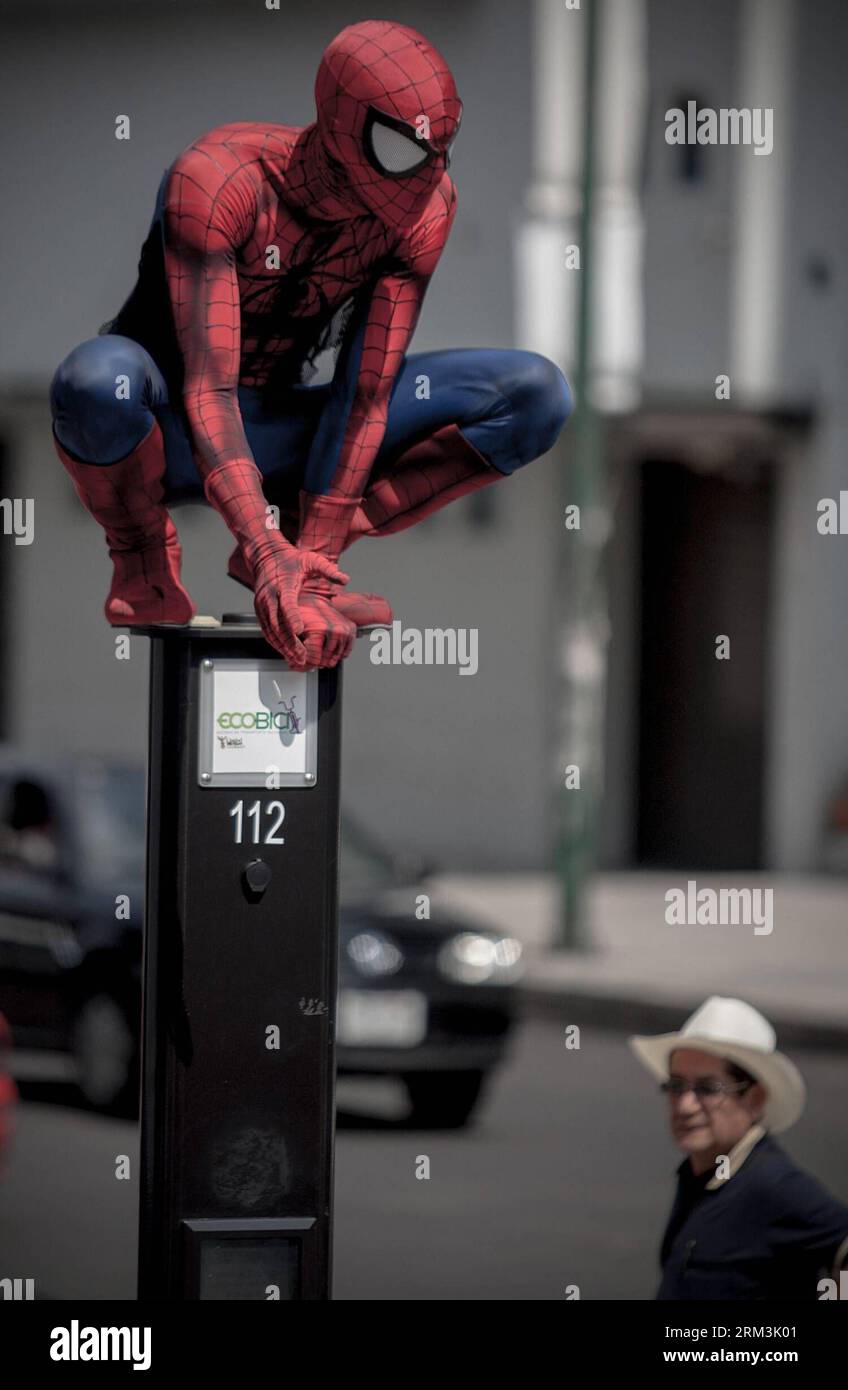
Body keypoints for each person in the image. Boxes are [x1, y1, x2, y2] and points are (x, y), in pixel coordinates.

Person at [49, 19, 571, 671]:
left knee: (534, 394)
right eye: (405, 150)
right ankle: (142, 557)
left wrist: (308, 563)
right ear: (344, 121)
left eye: (442, 150)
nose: (426, 177)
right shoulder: (218, 179)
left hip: (288, 433)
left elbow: (367, 393)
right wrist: (266, 549)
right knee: (95, 380)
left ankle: (309, 548)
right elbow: (207, 387)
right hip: (168, 425)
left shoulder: (425, 207)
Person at [629, 996, 848, 1300]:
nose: (685, 1105)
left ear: (755, 1099)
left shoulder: (773, 1184)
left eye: (707, 1089)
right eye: (676, 1086)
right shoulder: (701, 1173)